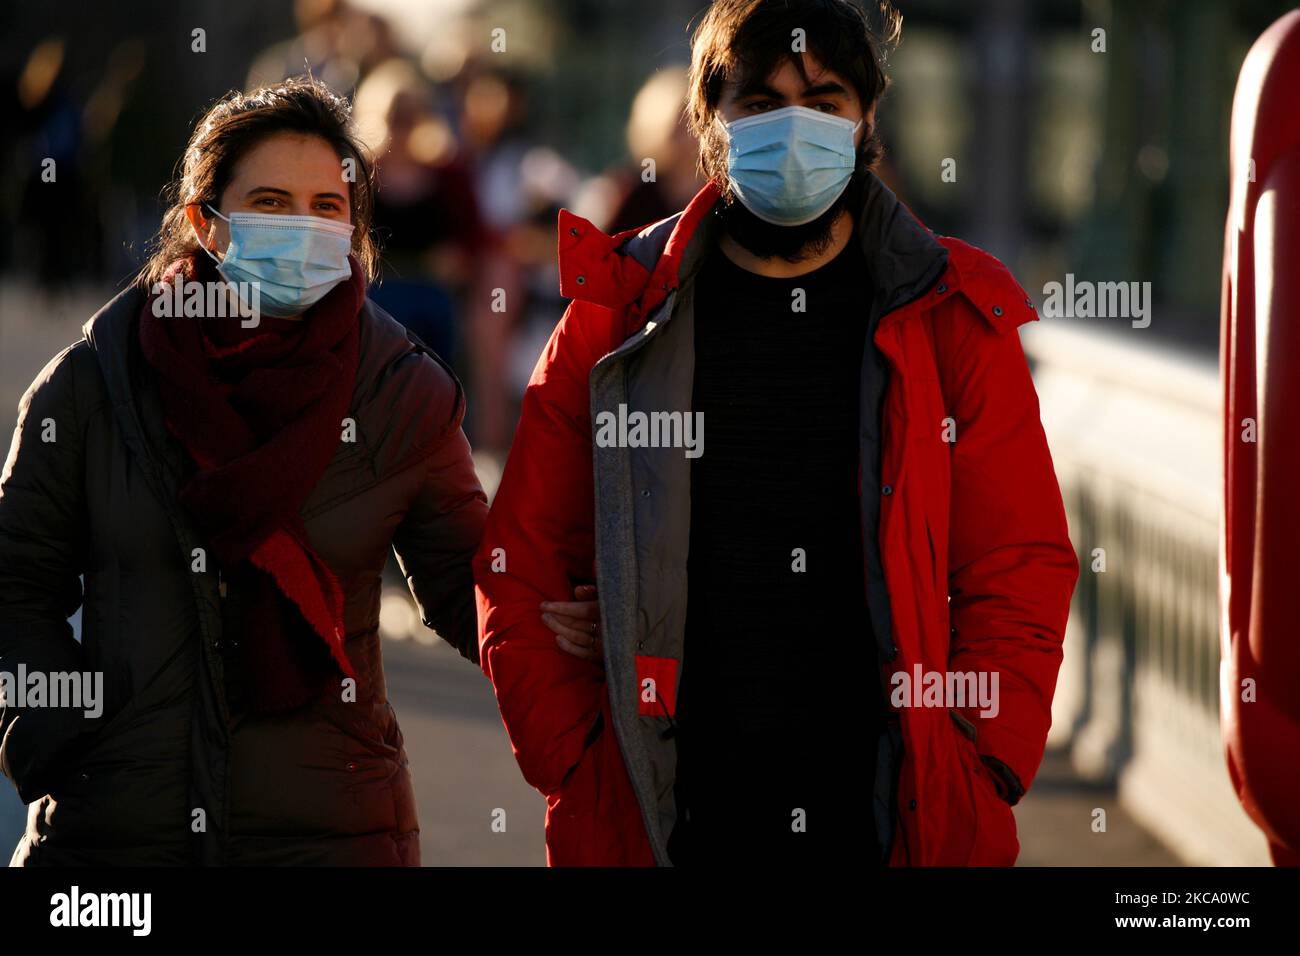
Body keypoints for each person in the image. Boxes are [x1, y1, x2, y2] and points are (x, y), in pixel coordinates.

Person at [474, 0, 1079, 867]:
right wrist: (575, 758)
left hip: (887, 816)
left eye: (824, 103)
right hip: (670, 814)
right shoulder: (617, 312)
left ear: (867, 120)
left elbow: (1017, 563)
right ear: (706, 123)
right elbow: (520, 560)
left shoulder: (951, 313)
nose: (794, 131)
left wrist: (983, 762)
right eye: (760, 105)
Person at [0, 77, 585, 866]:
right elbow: (15, 580)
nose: (302, 226)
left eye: (326, 205)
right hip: (116, 838)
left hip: (335, 831)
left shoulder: (395, 390)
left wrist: (581, 611)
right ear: (206, 222)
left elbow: (474, 582)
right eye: (270, 203)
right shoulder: (97, 383)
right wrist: (57, 736)